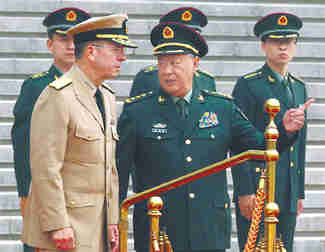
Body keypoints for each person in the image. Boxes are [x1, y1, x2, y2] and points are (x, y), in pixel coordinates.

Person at [117, 20, 309, 252]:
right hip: (159, 227)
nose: (168, 71)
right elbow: (120, 171)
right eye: (162, 62)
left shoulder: (221, 108)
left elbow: (259, 149)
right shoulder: (138, 112)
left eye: (176, 63)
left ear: (195, 63)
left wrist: (285, 130)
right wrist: (114, 220)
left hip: (208, 227)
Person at [22, 14, 137, 252]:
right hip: (67, 231)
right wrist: (57, 225)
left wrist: (113, 219)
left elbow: (109, 168)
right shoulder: (58, 96)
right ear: (91, 52)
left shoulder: (105, 96)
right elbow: (45, 167)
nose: (122, 57)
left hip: (98, 227)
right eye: (116, 50)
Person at [231, 13, 313, 252]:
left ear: (295, 45)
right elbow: (238, 143)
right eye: (276, 41)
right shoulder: (249, 84)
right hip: (259, 185)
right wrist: (244, 190)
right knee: (255, 246)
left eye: (289, 41)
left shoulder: (298, 86)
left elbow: (300, 144)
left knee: (283, 247)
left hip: (287, 187)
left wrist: (299, 191)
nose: (283, 46)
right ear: (264, 45)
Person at [10, 7, 91, 252]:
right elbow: (24, 148)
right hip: (47, 201)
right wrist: (27, 198)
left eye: (76, 39)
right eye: (62, 38)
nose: (69, 45)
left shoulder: (95, 87)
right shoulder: (36, 87)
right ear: (49, 44)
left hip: (87, 203)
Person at [130, 7, 216, 97]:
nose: (193, 42)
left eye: (195, 37)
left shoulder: (206, 80)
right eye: (185, 36)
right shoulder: (147, 78)